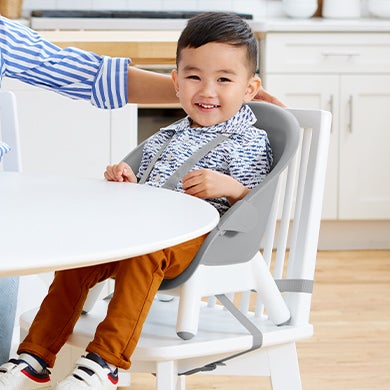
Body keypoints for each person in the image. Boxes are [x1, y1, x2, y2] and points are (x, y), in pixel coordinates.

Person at [0, 11, 280, 389]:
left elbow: (256, 203)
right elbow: (147, 186)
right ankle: (34, 356)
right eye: (194, 77)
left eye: (224, 80)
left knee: (146, 253)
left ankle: (106, 362)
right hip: (152, 228)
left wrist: (228, 187)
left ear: (249, 89)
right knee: (81, 257)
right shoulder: (170, 134)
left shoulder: (248, 139)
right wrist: (128, 179)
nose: (208, 91)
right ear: (176, 83)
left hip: (200, 238)